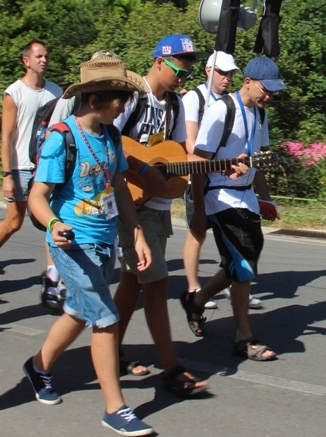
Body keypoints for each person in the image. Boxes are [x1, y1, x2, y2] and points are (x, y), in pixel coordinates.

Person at [25, 54, 154, 436]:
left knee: (80, 312)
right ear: (95, 101)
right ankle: (115, 409)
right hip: (72, 243)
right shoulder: (60, 139)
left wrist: (136, 233)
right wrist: (54, 221)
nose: (125, 107)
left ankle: (39, 366)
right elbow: (37, 196)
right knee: (106, 318)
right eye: (120, 101)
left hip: (103, 241)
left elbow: (118, 188)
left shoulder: (112, 135)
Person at [111, 34, 209, 393]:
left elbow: (183, 153)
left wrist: (221, 166)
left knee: (133, 282)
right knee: (158, 283)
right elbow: (109, 143)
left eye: (187, 75)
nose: (183, 81)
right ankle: (171, 367)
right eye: (178, 72)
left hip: (159, 207)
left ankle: (112, 350)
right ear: (158, 63)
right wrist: (140, 167)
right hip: (130, 205)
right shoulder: (132, 98)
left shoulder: (176, 106)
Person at [183, 56, 283, 361]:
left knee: (241, 260)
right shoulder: (221, 110)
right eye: (266, 89)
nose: (270, 96)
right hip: (219, 196)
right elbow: (198, 162)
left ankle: (197, 301)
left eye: (274, 91)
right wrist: (199, 211)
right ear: (249, 81)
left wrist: (264, 199)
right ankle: (244, 337)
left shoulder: (260, 114)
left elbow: (258, 160)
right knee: (242, 264)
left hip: (246, 197)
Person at [0, 40, 62, 294]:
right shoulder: (14, 92)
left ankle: (52, 279)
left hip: (46, 167)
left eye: (46, 55)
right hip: (20, 168)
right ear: (26, 61)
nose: (44, 59)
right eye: (38, 56)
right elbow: (7, 136)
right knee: (14, 222)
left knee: (51, 220)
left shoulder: (56, 92)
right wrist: (7, 174)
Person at [181, 52, 263, 311]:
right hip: (202, 178)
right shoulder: (196, 98)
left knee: (240, 248)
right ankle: (194, 287)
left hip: (231, 183)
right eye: (222, 72)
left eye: (230, 73)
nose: (227, 77)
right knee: (197, 233)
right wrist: (218, 164)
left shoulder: (249, 108)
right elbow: (193, 145)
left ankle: (223, 287)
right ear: (208, 70)